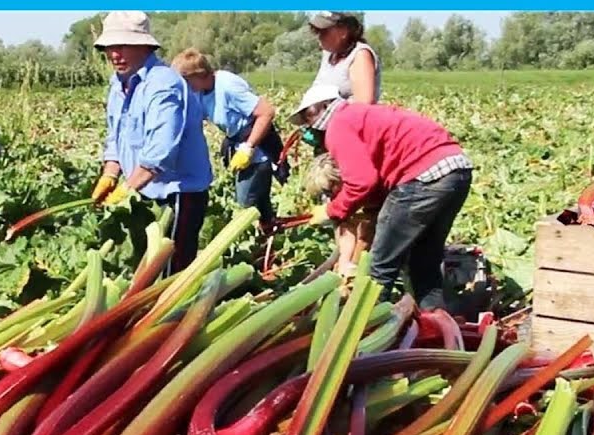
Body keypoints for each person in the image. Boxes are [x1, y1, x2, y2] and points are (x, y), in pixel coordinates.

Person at [293, 84, 473, 310]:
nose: (308, 125)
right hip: (456, 169)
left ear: (322, 106)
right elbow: (376, 185)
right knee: (424, 260)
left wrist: (332, 210)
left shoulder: (338, 124)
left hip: (423, 174)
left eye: (307, 116)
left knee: (379, 266)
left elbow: (362, 181)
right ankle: (435, 320)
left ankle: (365, 328)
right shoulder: (359, 115)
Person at [90, 11, 213, 273]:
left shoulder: (163, 84)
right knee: (147, 268)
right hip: (145, 190)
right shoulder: (118, 84)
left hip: (178, 192)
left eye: (122, 46)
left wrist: (127, 188)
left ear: (144, 46)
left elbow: (161, 150)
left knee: (173, 270)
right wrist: (110, 175)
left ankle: (179, 313)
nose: (114, 54)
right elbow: (116, 135)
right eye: (110, 47)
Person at [296, 11, 382, 275]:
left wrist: (331, 119)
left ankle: (357, 268)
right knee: (339, 206)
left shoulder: (360, 55)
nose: (318, 37)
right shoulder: (329, 57)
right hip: (330, 140)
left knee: (359, 207)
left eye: (323, 31)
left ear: (343, 30)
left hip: (352, 139)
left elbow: (364, 102)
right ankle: (344, 264)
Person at [171, 48, 284, 234]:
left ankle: (256, 243)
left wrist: (248, 148)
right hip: (238, 147)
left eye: (184, 81)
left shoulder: (228, 87)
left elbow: (266, 112)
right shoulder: (200, 92)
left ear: (198, 76)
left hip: (257, 152)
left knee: (245, 203)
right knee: (260, 208)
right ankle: (269, 240)